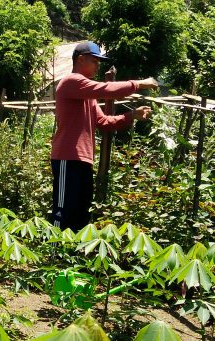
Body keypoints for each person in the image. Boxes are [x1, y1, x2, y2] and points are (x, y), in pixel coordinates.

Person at [51, 41, 158, 231]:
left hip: (83, 159)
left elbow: (103, 122)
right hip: (67, 157)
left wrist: (131, 115)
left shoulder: (87, 96)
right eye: (95, 61)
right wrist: (140, 83)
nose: (98, 66)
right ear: (81, 59)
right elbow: (106, 90)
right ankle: (54, 251)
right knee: (63, 210)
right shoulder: (70, 81)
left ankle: (72, 256)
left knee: (81, 211)